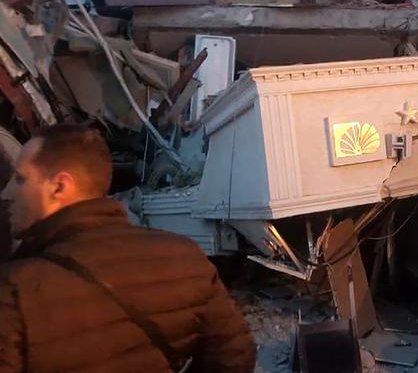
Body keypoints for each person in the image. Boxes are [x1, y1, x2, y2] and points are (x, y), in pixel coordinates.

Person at [0, 125, 256, 372]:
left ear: (59, 186)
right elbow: (236, 355)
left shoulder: (16, 287)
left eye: (21, 179)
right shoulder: (186, 257)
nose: (8, 191)